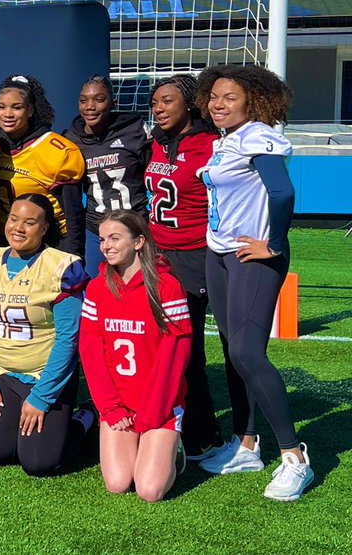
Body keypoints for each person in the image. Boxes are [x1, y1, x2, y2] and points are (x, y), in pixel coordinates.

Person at [195, 65, 312, 501]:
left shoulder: (259, 135)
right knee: (231, 351)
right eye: (213, 97)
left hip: (252, 257)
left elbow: (282, 193)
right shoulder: (224, 142)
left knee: (247, 350)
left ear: (254, 101)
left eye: (229, 97)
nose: (218, 104)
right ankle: (246, 445)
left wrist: (274, 244)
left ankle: (294, 456)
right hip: (220, 254)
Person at [0, 194, 93, 477]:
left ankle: (85, 418)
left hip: (45, 375)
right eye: (14, 219)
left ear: (45, 228)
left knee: (39, 463)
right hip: (4, 374)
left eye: (30, 222)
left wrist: (42, 398)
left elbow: (68, 340)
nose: (18, 228)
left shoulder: (60, 267)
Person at [79, 210, 193, 502]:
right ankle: (145, 446)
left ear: (139, 241)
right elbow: (90, 352)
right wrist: (110, 408)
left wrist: (153, 413)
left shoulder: (167, 287)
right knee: (117, 483)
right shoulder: (96, 287)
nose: (106, 246)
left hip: (158, 405)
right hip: (119, 404)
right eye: (103, 239)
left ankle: (173, 448)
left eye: (115, 238)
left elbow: (175, 355)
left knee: (149, 490)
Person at [143, 74, 225, 461]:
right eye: (155, 102)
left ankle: (206, 433)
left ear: (190, 104)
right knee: (163, 345)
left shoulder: (211, 145)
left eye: (167, 101)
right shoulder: (155, 143)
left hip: (198, 256)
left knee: (188, 348)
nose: (159, 108)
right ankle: (169, 423)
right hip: (159, 255)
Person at [64, 75, 152, 273]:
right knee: (101, 290)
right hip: (97, 231)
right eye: (83, 100)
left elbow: (154, 175)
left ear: (113, 103)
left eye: (99, 99)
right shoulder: (70, 139)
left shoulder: (134, 129)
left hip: (136, 227)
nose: (90, 106)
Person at [0, 75, 87, 259]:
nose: (7, 114)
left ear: (30, 110)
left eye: (17, 107)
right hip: (6, 241)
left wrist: (75, 257)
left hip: (51, 245)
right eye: (1, 107)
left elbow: (73, 215)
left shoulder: (59, 151)